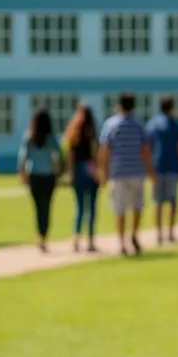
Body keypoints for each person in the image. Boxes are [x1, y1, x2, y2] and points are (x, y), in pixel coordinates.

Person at [98, 92, 154, 256]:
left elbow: (104, 151)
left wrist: (103, 173)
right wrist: (150, 171)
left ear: (119, 105)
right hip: (136, 171)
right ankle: (134, 235)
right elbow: (145, 151)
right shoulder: (138, 125)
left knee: (120, 209)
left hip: (118, 172)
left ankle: (122, 242)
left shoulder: (111, 125)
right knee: (137, 206)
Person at [145, 95, 178, 245]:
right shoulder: (176, 124)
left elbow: (147, 147)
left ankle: (159, 234)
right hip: (172, 166)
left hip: (157, 166)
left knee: (158, 202)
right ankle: (170, 233)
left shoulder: (153, 124)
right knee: (172, 201)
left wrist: (148, 167)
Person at [18, 107, 61, 253]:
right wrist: (57, 173)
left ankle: (40, 234)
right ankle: (44, 235)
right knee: (46, 206)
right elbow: (55, 158)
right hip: (48, 175)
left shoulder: (29, 136)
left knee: (37, 207)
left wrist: (23, 176)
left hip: (34, 175)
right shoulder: (51, 138)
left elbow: (22, 158)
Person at [63, 102, 100, 253]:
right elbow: (95, 155)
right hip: (91, 170)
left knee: (79, 207)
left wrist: (70, 173)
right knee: (91, 208)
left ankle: (76, 240)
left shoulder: (74, 133)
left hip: (78, 170)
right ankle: (90, 241)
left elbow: (70, 156)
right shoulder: (92, 133)